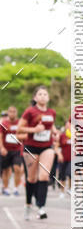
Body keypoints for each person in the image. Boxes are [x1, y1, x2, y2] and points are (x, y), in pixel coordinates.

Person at [17, 87, 58, 220]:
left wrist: (55, 132)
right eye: (39, 94)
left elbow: (51, 125)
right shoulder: (30, 111)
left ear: (48, 97)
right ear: (35, 98)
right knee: (31, 178)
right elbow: (19, 130)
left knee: (44, 176)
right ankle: (28, 205)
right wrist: (34, 129)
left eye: (45, 94)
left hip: (47, 146)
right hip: (31, 147)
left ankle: (41, 207)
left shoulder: (52, 112)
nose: (42, 96)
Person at [1, 106, 25, 195]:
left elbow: (24, 135)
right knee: (6, 170)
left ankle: (15, 188)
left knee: (17, 168)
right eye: (10, 111)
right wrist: (2, 147)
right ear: (8, 113)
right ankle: (6, 188)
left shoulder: (20, 123)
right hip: (6, 150)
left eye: (14, 111)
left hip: (17, 150)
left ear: (16, 112)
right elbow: (1, 136)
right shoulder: (4, 123)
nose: (12, 113)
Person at [57, 120, 72, 197]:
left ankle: (70, 188)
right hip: (63, 158)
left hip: (72, 158)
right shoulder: (62, 135)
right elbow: (57, 146)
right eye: (67, 125)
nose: (69, 126)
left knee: (70, 174)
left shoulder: (77, 135)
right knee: (62, 176)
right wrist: (59, 154)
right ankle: (62, 191)